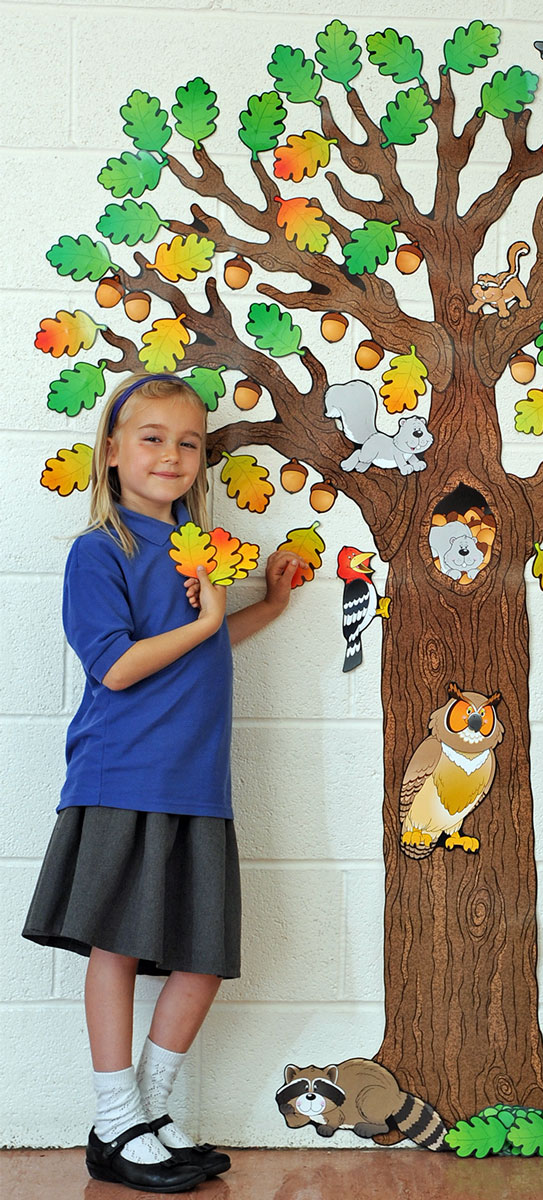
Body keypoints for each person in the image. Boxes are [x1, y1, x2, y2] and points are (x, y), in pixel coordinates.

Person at [23, 372, 306, 1193]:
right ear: (111, 453)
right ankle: (115, 1117)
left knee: (202, 957)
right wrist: (211, 618)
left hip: (196, 784)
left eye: (189, 443)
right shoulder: (98, 552)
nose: (171, 455)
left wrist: (264, 609)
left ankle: (141, 1114)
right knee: (116, 945)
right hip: (123, 775)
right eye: (151, 437)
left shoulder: (198, 551)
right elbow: (115, 667)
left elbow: (203, 646)